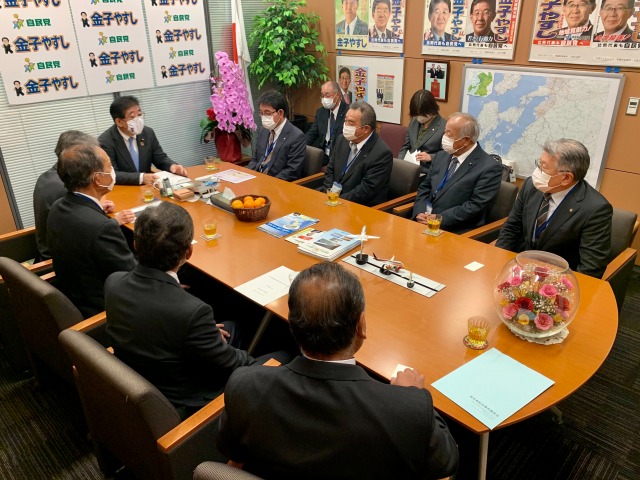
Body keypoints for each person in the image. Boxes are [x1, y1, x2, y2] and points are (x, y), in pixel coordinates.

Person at [217, 262, 459, 480]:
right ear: (361, 325)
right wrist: (413, 394)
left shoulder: (244, 386)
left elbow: (231, 450)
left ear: (292, 324)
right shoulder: (407, 410)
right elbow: (446, 463)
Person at [105, 202, 255, 418]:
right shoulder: (192, 311)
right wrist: (252, 362)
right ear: (189, 252)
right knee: (281, 356)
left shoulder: (113, 282)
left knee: (235, 327)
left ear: (135, 245)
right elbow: (230, 362)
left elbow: (156, 318)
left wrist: (202, 333)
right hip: (186, 403)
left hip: (141, 372)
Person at [496, 139, 613, 278]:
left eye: (544, 167)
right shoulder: (531, 186)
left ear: (566, 178)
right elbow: (512, 227)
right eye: (539, 163)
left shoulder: (596, 209)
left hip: (559, 277)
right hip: (522, 266)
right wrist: (498, 262)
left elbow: (590, 268)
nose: (537, 171)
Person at [47, 143, 136, 318]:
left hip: (74, 294)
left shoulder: (57, 207)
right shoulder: (102, 228)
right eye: (109, 166)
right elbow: (132, 279)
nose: (112, 171)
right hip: (106, 312)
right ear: (97, 179)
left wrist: (99, 213)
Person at [33, 131, 128, 262]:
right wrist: (114, 222)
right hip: (58, 260)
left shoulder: (47, 177)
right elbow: (85, 231)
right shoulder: (69, 187)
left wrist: (96, 207)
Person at [411, 112, 502, 234]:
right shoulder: (441, 155)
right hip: (424, 221)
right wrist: (419, 211)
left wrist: (439, 218)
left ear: (466, 140)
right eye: (445, 131)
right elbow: (425, 187)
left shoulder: (489, 167)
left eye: (449, 134)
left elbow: (475, 206)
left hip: (456, 229)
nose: (444, 137)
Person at [98, 95, 188, 186]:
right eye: (132, 116)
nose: (138, 120)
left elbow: (159, 157)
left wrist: (172, 166)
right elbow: (112, 174)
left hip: (148, 188)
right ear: (119, 122)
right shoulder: (105, 141)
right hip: (124, 189)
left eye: (139, 114)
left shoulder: (147, 133)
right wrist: (141, 178)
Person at [320, 101, 393, 207]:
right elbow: (330, 170)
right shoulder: (342, 139)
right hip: (333, 199)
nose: (345, 125)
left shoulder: (382, 153)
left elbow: (365, 191)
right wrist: (329, 195)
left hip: (360, 207)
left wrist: (338, 202)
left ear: (366, 129)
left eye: (351, 122)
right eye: (345, 120)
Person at [246, 91, 306, 181]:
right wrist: (248, 176)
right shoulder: (263, 130)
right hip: (258, 179)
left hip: (277, 183)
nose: (263, 117)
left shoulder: (296, 136)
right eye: (261, 113)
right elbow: (255, 159)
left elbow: (292, 171)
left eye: (267, 113)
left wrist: (268, 182)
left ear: (280, 113)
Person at [399, 90, 445, 176]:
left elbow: (447, 156)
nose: (418, 118)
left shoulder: (444, 127)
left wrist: (431, 157)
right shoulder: (414, 122)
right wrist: (400, 164)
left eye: (420, 114)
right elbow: (406, 146)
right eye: (416, 115)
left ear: (431, 111)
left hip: (427, 173)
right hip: (408, 168)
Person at [306, 81, 348, 167]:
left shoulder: (348, 112)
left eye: (327, 95)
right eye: (322, 95)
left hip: (340, 157)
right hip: (323, 154)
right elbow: (312, 133)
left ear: (338, 95)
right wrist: (298, 146)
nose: (324, 98)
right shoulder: (321, 112)